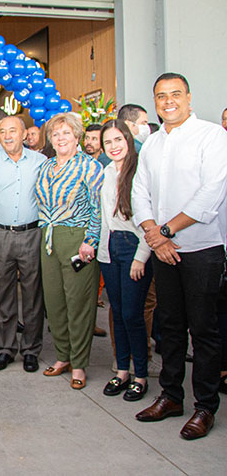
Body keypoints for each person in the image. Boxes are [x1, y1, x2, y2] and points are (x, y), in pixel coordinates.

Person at [133, 73, 227, 440]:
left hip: (202, 248)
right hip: (162, 250)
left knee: (203, 330)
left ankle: (205, 406)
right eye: (160, 96)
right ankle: (171, 396)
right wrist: (156, 237)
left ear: (189, 97)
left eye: (175, 94)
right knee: (168, 327)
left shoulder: (212, 136)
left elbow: (212, 192)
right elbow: (140, 193)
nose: (168, 101)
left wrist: (166, 232)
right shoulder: (153, 144)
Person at [35, 112, 104, 390]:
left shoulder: (90, 167)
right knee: (54, 303)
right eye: (56, 134)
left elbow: (98, 209)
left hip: (78, 240)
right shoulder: (46, 166)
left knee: (79, 304)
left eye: (66, 133)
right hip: (48, 238)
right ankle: (62, 356)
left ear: (77, 136)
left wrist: (91, 240)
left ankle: (79, 363)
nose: (61, 138)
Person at [0, 116, 47, 372]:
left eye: (12, 131)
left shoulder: (41, 162)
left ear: (24, 134)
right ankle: (5, 349)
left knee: (32, 296)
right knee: (3, 295)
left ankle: (31, 350)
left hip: (31, 235)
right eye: (2, 131)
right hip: (0, 236)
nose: (7, 136)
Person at [96, 119, 153, 402]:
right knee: (117, 314)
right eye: (108, 142)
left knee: (133, 315)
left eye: (118, 139)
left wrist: (141, 257)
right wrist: (102, 252)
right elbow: (105, 218)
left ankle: (140, 375)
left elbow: (149, 219)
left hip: (135, 246)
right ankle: (121, 372)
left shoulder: (141, 170)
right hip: (110, 247)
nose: (114, 146)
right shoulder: (106, 171)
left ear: (128, 140)